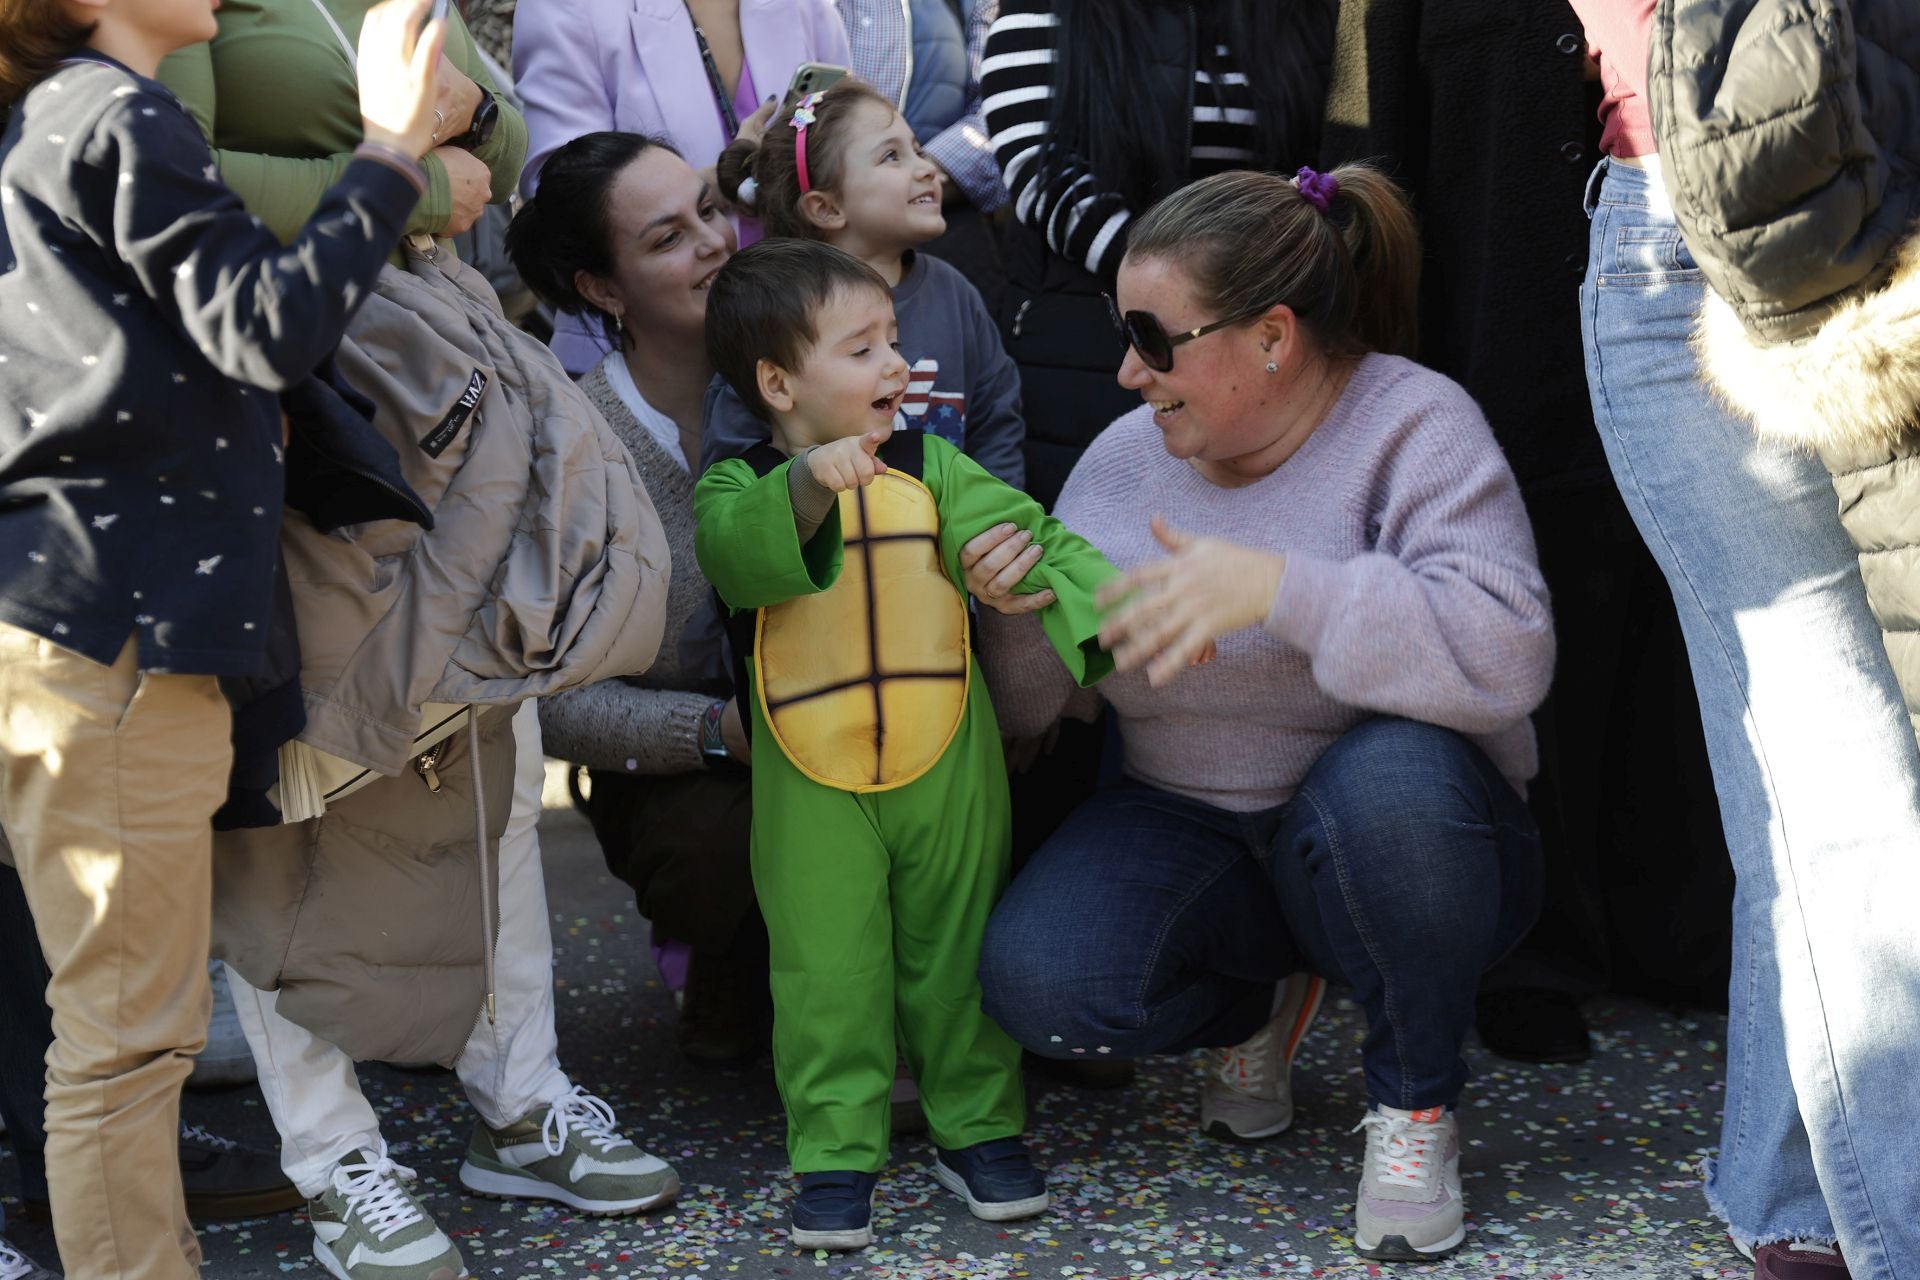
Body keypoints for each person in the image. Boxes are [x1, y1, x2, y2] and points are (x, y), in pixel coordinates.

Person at [154, 8, 680, 1278]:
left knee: (493, 764)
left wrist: (443, 147)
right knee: (297, 795)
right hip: (275, 410)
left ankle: (522, 1099)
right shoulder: (171, 9)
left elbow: (496, 136)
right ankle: (336, 1161)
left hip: (432, 392)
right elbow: (157, 176)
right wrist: (397, 175)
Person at [966, 166, 1552, 1263]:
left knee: (1391, 791)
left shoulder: (1416, 423)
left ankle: (1416, 1103)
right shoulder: (1120, 457)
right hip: (1190, 823)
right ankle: (1257, 1003)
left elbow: (1508, 654)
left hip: (1401, 832)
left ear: (1272, 335)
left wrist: (1284, 590)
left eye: (1155, 336)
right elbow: (1031, 716)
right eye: (1121, 328)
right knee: (1040, 982)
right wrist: (1012, 615)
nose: (1128, 369)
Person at [0, 0, 443, 1272]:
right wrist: (391, 149)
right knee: (127, 1038)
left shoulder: (50, 121)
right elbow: (265, 324)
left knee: (113, 1028)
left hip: (70, 627)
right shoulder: (113, 111)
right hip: (117, 642)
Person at [1570, 4, 1920, 1278]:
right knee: (1850, 786)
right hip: (1697, 251)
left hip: (1884, 227)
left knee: (1826, 793)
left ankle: (1799, 1200)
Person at [1318, 0, 1732, 1063]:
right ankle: (1535, 944)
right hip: (1497, 330)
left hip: (1692, 315)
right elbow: (1368, 145)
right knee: (1530, 620)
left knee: (1680, 620)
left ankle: (1676, 923)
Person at [694, 238, 1117, 1249]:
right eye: (864, 347)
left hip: (948, 760)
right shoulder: (732, 484)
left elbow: (1038, 538)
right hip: (809, 775)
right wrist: (806, 485)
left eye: (896, 339)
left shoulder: (935, 465)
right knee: (823, 967)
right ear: (778, 382)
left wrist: (1121, 615)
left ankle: (979, 1126)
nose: (898, 365)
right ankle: (835, 1148)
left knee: (958, 952)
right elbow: (737, 556)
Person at [503, 131, 768, 1063]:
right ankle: (740, 969)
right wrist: (714, 732)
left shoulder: (806, 367)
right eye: (668, 237)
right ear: (602, 290)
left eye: (709, 206)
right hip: (691, 772)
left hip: (838, 726)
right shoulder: (571, 445)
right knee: (730, 851)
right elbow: (547, 698)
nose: (713, 241)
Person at [980, 0, 1338, 507]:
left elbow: (1320, 165)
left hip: (1254, 333)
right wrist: (1180, 298)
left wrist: (1254, 291)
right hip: (1085, 339)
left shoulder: (1294, 14)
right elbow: (1045, 177)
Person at [705, 79, 1024, 486]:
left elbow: (996, 419)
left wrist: (998, 518)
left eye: (918, 149)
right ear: (826, 207)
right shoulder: (776, 310)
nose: (927, 168)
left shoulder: (954, 292)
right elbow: (733, 470)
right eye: (892, 155)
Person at [512, 0, 848, 373]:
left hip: (803, 325)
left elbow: (845, 122)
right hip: (652, 362)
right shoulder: (568, 7)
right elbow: (561, 192)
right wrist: (725, 183)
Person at [836, 0, 1010, 314]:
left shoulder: (956, 294)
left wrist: (914, 171)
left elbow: (1000, 110)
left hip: (947, 241)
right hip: (812, 250)